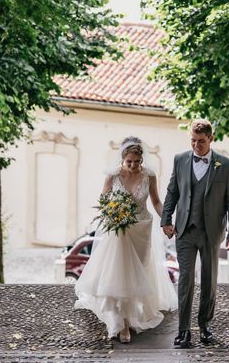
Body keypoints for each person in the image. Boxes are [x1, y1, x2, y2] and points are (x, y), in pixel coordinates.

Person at [74, 136, 178, 343]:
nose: (132, 165)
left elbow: (156, 201)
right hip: (119, 230)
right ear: (122, 159)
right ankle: (123, 323)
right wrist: (112, 214)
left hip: (142, 229)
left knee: (138, 272)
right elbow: (103, 201)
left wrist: (166, 221)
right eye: (128, 161)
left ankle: (133, 314)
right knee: (120, 273)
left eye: (136, 162)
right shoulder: (113, 176)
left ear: (142, 160)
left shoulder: (149, 176)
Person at [161, 119, 229, 348]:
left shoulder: (225, 165)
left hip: (211, 232)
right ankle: (184, 330)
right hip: (184, 230)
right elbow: (172, 192)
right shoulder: (180, 160)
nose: (197, 145)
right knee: (185, 280)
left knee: (209, 280)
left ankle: (205, 326)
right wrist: (166, 219)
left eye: (201, 142)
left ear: (211, 139)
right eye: (193, 141)